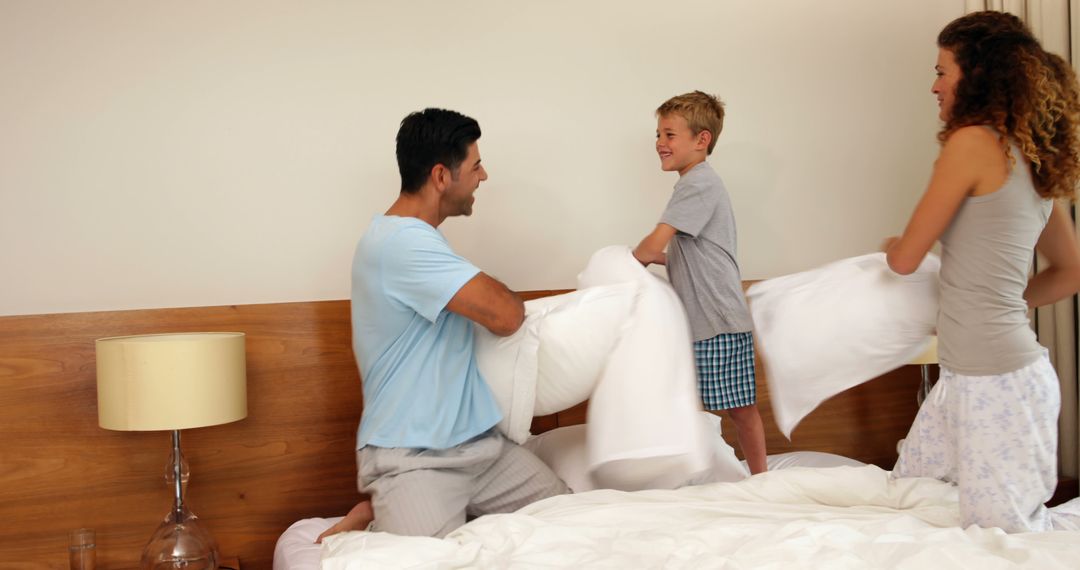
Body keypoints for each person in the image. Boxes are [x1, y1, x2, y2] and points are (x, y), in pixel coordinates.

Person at [321, 108, 567, 541]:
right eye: (475, 166)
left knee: (573, 524)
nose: (484, 176)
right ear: (441, 176)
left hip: (482, 449)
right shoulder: (403, 244)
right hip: (416, 458)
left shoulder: (415, 238)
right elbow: (507, 315)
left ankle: (382, 514)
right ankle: (376, 517)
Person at [883, 11, 1080, 533]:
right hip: (987, 376)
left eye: (942, 71)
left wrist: (892, 247)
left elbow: (905, 259)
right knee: (910, 508)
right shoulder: (1029, 156)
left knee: (999, 543)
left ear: (977, 75)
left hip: (995, 384)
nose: (934, 85)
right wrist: (1002, 303)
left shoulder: (970, 143)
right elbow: (1070, 271)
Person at [633, 91, 768, 475]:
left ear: (701, 139)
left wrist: (626, 266)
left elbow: (655, 242)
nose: (660, 143)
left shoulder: (698, 184)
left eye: (670, 135)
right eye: (658, 134)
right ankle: (701, 472)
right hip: (704, 317)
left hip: (717, 316)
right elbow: (685, 252)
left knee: (739, 407)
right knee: (699, 403)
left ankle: (760, 478)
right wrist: (654, 257)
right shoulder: (696, 184)